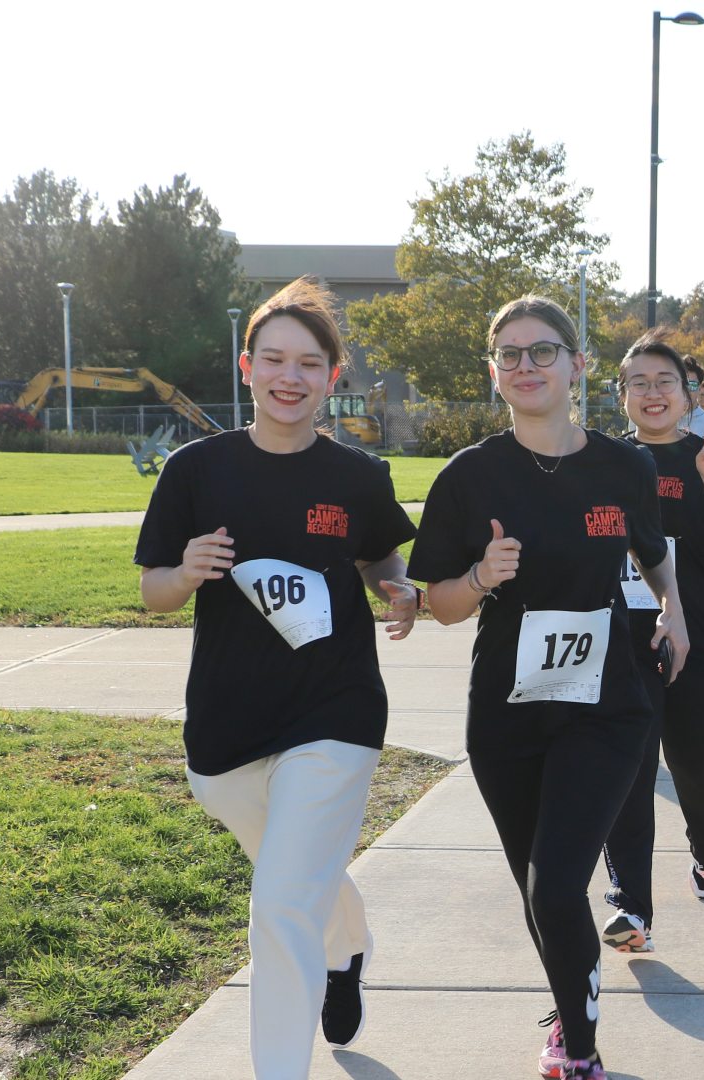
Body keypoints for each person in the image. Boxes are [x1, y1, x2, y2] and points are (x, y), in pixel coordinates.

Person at [134, 277, 420, 1078]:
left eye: (308, 363)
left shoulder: (358, 474)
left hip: (336, 708)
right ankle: (348, 940)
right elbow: (153, 590)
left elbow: (376, 555)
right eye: (273, 360)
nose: (289, 377)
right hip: (226, 727)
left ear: (333, 376)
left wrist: (394, 587)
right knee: (299, 880)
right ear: (247, 366)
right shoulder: (196, 470)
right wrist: (185, 572)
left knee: (280, 902)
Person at [408, 295, 689, 1080]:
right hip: (507, 710)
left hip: (606, 703)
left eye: (542, 352)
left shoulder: (625, 465)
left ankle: (581, 1048)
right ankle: (574, 1002)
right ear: (493, 371)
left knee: (560, 882)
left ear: (578, 365)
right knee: (541, 894)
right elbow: (438, 605)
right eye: (510, 355)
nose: (525, 366)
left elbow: (653, 548)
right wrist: (478, 574)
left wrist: (676, 611)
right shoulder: (469, 477)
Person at [601, 332, 704, 958]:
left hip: (702, 638)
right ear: (622, 395)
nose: (653, 393)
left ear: (688, 393)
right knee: (627, 772)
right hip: (624, 639)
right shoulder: (603, 462)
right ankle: (631, 904)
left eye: (665, 382)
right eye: (639, 383)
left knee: (690, 762)